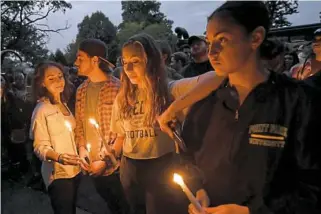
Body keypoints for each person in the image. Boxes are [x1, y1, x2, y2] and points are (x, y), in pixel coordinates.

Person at [158, 2, 321, 214]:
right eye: (209, 41)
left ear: (255, 38)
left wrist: (252, 211)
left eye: (222, 40)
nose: (212, 51)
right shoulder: (204, 105)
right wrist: (198, 190)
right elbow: (188, 160)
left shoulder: (298, 101)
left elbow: (313, 187)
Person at [109, 33, 221, 214]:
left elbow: (217, 77)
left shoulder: (170, 90)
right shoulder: (123, 98)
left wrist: (171, 110)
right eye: (124, 61)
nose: (128, 68)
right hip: (129, 168)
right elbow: (121, 135)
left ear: (151, 61)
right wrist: (111, 152)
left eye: (136, 61)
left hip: (162, 167)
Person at [74, 38, 129, 214]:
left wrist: (105, 160)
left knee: (125, 206)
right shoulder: (81, 90)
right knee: (110, 204)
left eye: (80, 58)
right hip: (92, 165)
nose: (76, 62)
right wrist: (82, 149)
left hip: (115, 167)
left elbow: (125, 131)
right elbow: (80, 125)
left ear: (95, 60)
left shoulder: (118, 89)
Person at [30, 61, 81, 214]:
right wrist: (59, 157)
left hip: (76, 170)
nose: (58, 81)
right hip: (58, 175)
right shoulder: (41, 110)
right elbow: (40, 147)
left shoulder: (64, 104)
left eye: (60, 76)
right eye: (51, 78)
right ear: (42, 83)